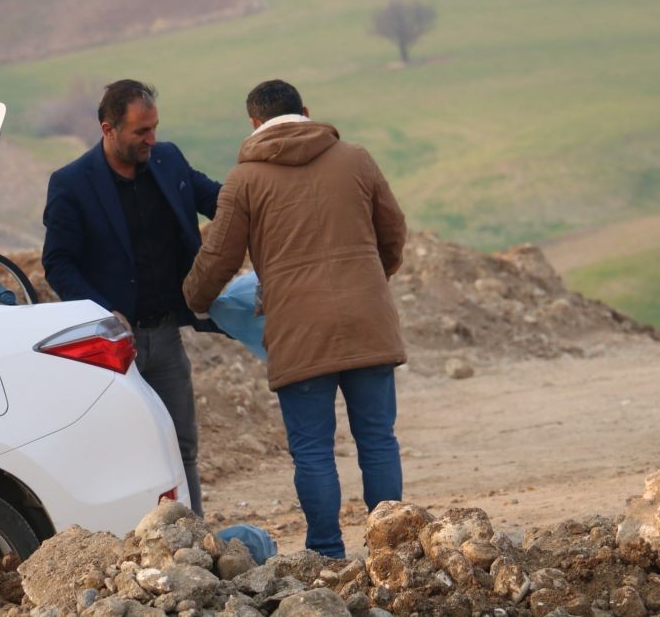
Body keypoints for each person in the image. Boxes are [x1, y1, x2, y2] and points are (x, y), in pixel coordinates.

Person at [183, 79, 408, 558]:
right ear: (305, 111)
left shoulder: (244, 181)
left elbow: (219, 257)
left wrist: (193, 298)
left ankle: (327, 554)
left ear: (254, 124)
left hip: (299, 332)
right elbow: (393, 233)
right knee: (377, 439)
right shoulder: (356, 159)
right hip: (368, 320)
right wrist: (370, 280)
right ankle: (393, 551)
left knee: (313, 451)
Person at [42, 79, 220, 516]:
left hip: (167, 338)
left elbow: (222, 202)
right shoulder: (71, 184)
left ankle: (194, 536)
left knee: (183, 446)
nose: (152, 140)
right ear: (109, 129)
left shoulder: (169, 161)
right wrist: (104, 313)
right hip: (113, 349)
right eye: (141, 132)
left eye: (154, 128)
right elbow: (58, 262)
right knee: (121, 453)